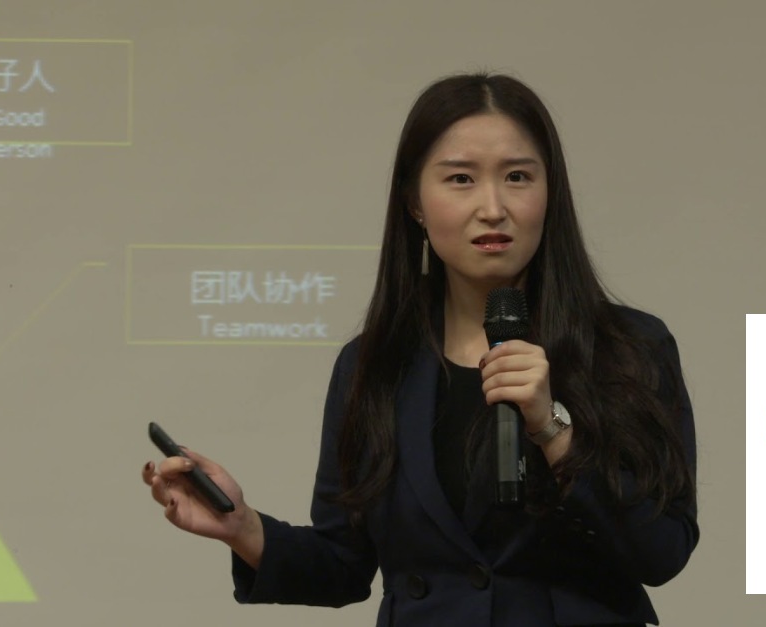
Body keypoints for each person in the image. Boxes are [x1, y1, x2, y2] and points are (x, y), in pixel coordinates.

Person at [142, 72, 698, 627]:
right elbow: (342, 563)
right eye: (461, 179)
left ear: (550, 193)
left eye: (518, 177)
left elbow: (662, 551)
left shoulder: (630, 349)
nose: (493, 207)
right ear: (414, 203)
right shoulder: (372, 366)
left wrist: (553, 431)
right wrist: (242, 527)